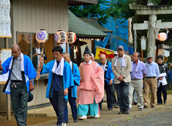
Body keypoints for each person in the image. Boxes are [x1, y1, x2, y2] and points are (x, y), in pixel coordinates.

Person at [0, 44, 37, 126]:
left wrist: (31, 83)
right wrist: (0, 66)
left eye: (15, 52)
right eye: (12, 52)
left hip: (23, 84)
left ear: (19, 51)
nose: (14, 54)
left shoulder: (26, 59)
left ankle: (22, 123)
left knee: (23, 105)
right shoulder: (10, 60)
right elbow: (4, 68)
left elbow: (30, 71)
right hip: (13, 85)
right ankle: (19, 122)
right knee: (15, 106)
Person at [39, 46, 73, 126]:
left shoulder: (66, 65)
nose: (55, 56)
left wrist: (66, 88)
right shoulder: (51, 63)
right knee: (56, 107)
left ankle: (59, 123)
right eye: (54, 54)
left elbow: (68, 77)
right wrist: (41, 63)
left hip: (62, 89)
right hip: (52, 89)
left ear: (61, 54)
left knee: (61, 107)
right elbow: (44, 70)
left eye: (57, 54)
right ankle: (62, 120)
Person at [77, 46, 104, 120]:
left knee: (93, 102)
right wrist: (79, 78)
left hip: (92, 86)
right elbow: (78, 74)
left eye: (87, 56)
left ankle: (95, 113)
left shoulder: (95, 65)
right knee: (83, 101)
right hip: (83, 86)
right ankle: (83, 114)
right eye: (84, 56)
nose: (85, 57)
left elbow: (101, 72)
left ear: (90, 56)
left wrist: (94, 77)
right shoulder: (81, 65)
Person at [112, 45, 131, 114]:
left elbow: (129, 68)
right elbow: (113, 69)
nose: (120, 52)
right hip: (117, 80)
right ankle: (121, 108)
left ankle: (127, 108)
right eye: (119, 51)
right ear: (117, 51)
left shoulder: (128, 58)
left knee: (125, 94)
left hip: (126, 79)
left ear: (123, 51)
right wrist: (118, 76)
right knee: (119, 95)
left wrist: (123, 76)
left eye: (121, 50)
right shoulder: (114, 59)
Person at [63, 53, 80, 123]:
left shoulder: (74, 66)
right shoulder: (62, 65)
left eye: (65, 58)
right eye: (63, 58)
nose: (64, 60)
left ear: (69, 58)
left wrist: (72, 79)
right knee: (64, 103)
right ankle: (65, 119)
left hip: (71, 87)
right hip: (64, 87)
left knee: (73, 103)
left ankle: (75, 116)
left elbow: (78, 76)